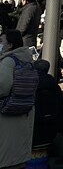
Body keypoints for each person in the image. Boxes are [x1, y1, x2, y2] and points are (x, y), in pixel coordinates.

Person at [0, 30, 36, 169]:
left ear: (9, 45)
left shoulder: (7, 61)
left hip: (6, 112)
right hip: (24, 111)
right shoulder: (26, 59)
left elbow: (2, 86)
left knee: (6, 156)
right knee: (17, 157)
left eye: (2, 41)